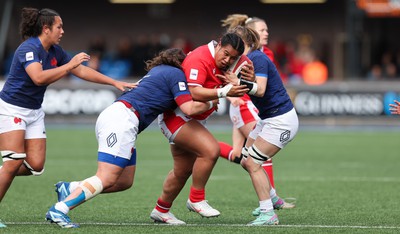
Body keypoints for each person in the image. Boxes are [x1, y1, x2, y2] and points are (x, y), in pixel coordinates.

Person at [45, 48, 219, 228]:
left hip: (120, 118)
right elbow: (189, 108)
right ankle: (60, 209)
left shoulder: (159, 71)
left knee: (124, 181)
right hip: (123, 119)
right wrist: (216, 97)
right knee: (106, 176)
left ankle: (71, 188)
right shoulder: (176, 74)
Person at [0, 7, 136, 228]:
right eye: (59, 26)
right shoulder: (29, 48)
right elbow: (38, 78)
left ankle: (6, 169)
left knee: (35, 165)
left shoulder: (55, 51)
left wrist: (113, 82)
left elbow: (81, 71)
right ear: (46, 28)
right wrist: (69, 65)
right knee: (14, 161)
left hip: (34, 111)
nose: (62, 31)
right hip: (11, 109)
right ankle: (7, 170)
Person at [149, 32, 253, 225]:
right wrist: (223, 91)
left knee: (182, 171)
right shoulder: (199, 57)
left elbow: (247, 70)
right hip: (177, 116)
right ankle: (196, 198)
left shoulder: (236, 59)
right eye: (226, 54)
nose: (228, 60)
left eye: (233, 57)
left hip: (193, 118)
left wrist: (250, 75)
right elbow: (194, 92)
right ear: (219, 44)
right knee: (210, 150)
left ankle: (161, 210)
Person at [222, 25, 299, 225]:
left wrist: (236, 81)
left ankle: (268, 213)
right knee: (245, 159)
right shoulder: (245, 60)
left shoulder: (257, 58)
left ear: (244, 42)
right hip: (268, 119)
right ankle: (272, 198)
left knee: (252, 163)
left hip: (280, 120)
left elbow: (261, 90)